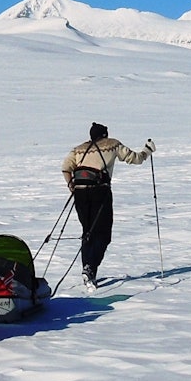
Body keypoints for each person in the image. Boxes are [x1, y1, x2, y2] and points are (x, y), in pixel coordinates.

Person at [61, 122, 155, 287]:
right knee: (103, 234)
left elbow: (65, 168)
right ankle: (90, 268)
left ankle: (88, 271)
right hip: (100, 192)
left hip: (80, 194)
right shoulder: (112, 144)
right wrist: (148, 150)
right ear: (105, 134)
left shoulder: (78, 149)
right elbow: (135, 158)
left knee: (87, 232)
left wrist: (71, 186)